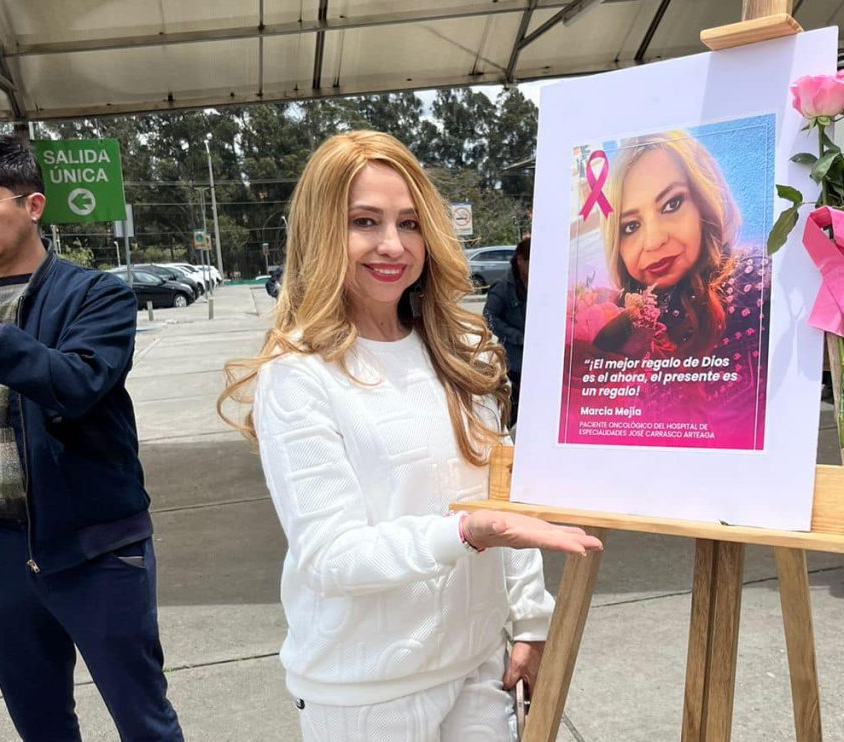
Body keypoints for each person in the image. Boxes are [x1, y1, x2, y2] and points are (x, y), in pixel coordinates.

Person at [218, 130, 602, 742]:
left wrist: (530, 618)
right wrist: (465, 533)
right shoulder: (299, 373)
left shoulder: (459, 350)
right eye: (364, 221)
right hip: (367, 692)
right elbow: (330, 554)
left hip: (478, 667)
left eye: (410, 222)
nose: (392, 244)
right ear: (320, 231)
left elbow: (502, 492)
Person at [0, 131, 182, 739]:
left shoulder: (98, 295)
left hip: (94, 549)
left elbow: (75, 383)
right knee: (40, 725)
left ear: (32, 205)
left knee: (143, 719)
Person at [583, 131, 770, 446]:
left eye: (671, 204)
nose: (654, 240)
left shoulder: (754, 287)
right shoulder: (615, 318)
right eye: (630, 226)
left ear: (704, 202)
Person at [484, 237, 531, 428]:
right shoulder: (503, 287)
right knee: (515, 405)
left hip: (537, 357)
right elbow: (488, 317)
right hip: (515, 360)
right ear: (520, 260)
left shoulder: (542, 283)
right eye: (532, 262)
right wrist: (515, 336)